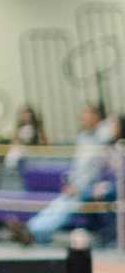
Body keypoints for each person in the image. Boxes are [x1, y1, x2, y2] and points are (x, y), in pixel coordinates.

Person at [28, 103, 118, 243]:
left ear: (96, 118)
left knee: (66, 207)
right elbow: (76, 167)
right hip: (76, 186)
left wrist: (109, 119)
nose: (83, 118)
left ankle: (33, 233)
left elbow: (113, 128)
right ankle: (32, 230)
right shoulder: (82, 137)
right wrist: (69, 183)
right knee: (57, 204)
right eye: (83, 115)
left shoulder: (102, 136)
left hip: (91, 186)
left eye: (87, 115)